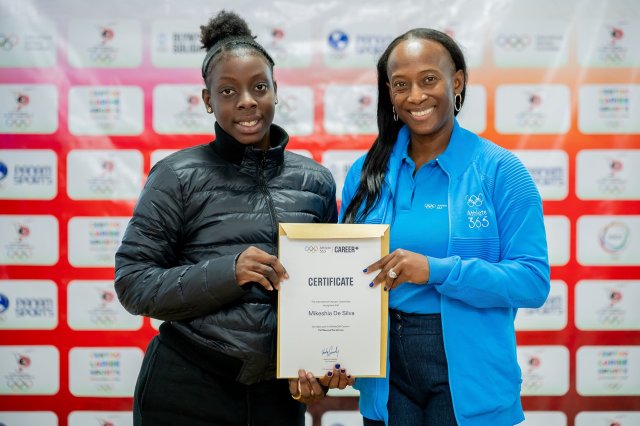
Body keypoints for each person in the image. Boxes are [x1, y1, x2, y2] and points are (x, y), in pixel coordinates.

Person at [115, 10, 349, 426]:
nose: (246, 101)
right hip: (186, 388)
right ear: (208, 100)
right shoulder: (176, 176)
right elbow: (133, 283)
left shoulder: (315, 182)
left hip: (277, 398)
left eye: (259, 87)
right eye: (228, 91)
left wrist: (322, 365)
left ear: (275, 90)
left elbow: (325, 293)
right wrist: (231, 272)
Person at [339, 28, 550, 425]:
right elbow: (344, 277)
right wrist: (331, 350)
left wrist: (436, 270)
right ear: (389, 93)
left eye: (429, 79)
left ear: (457, 82)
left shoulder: (500, 171)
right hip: (385, 369)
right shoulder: (365, 173)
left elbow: (532, 282)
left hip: (470, 374)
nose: (416, 96)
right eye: (401, 85)